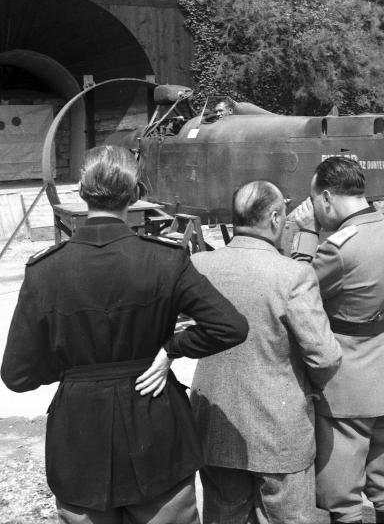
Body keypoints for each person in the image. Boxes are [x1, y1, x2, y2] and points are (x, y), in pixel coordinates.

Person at [1, 145, 249, 524]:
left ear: (83, 193)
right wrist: (172, 348)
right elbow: (230, 326)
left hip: (79, 437)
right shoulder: (166, 260)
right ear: (135, 193)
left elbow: (17, 376)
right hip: (156, 428)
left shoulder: (45, 271)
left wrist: (73, 368)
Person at [145, 179, 342, 524]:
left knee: (223, 516)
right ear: (277, 217)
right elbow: (324, 356)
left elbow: (170, 327)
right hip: (280, 429)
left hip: (216, 422)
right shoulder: (294, 275)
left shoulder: (201, 265)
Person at [290, 156, 384, 524]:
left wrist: (305, 234)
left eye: (315, 201)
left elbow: (297, 292)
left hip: (349, 380)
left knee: (342, 491)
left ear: (328, 198)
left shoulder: (338, 247)